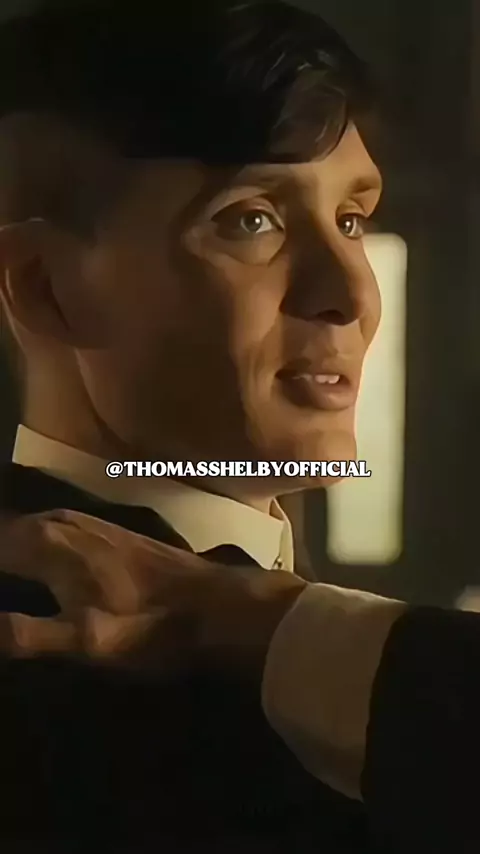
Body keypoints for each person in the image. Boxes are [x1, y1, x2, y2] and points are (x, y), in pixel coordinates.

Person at [0, 1, 470, 852]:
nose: (352, 295)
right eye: (251, 219)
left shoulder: (328, 642)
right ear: (44, 287)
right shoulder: (48, 667)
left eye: (352, 220)